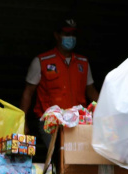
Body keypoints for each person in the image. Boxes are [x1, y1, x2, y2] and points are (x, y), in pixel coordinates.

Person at [19, 18, 99, 154]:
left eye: (73, 35)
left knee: (79, 157)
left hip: (79, 122)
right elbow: (28, 93)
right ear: (57, 35)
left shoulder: (83, 63)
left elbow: (91, 91)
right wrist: (22, 122)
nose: (71, 38)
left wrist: (108, 113)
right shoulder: (42, 61)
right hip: (50, 123)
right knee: (60, 156)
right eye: (67, 34)